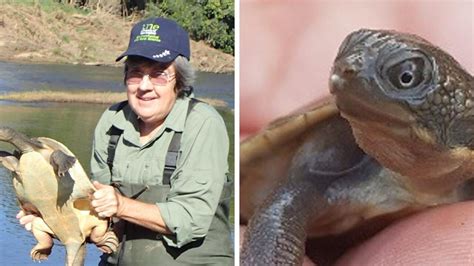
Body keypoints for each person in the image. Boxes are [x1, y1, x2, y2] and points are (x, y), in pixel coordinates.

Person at [19, 17, 234, 265]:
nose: (144, 86)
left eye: (159, 75)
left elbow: (192, 218)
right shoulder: (112, 122)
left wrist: (120, 205)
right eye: (135, 73)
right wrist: (52, 220)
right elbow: (104, 222)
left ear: (181, 81)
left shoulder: (203, 123)